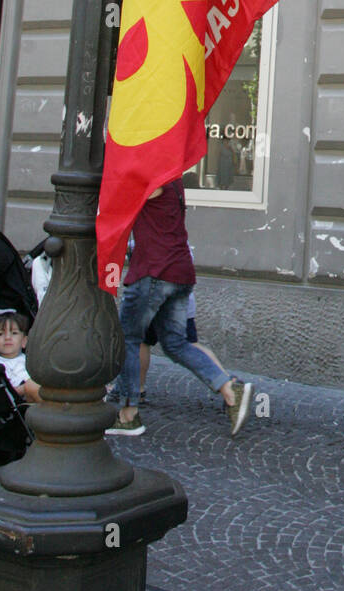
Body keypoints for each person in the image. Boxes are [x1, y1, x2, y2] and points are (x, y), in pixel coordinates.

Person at [106, 179, 252, 436]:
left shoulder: (153, 180)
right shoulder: (174, 182)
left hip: (153, 272)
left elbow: (121, 196)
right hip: (180, 271)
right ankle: (228, 388)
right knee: (175, 343)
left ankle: (128, 416)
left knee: (127, 338)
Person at [0, 312, 41, 404]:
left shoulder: (28, 359)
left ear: (24, 341)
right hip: (23, 399)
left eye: (14, 333)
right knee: (33, 385)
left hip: (41, 389)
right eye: (0, 334)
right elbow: (6, 395)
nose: (7, 337)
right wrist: (26, 387)